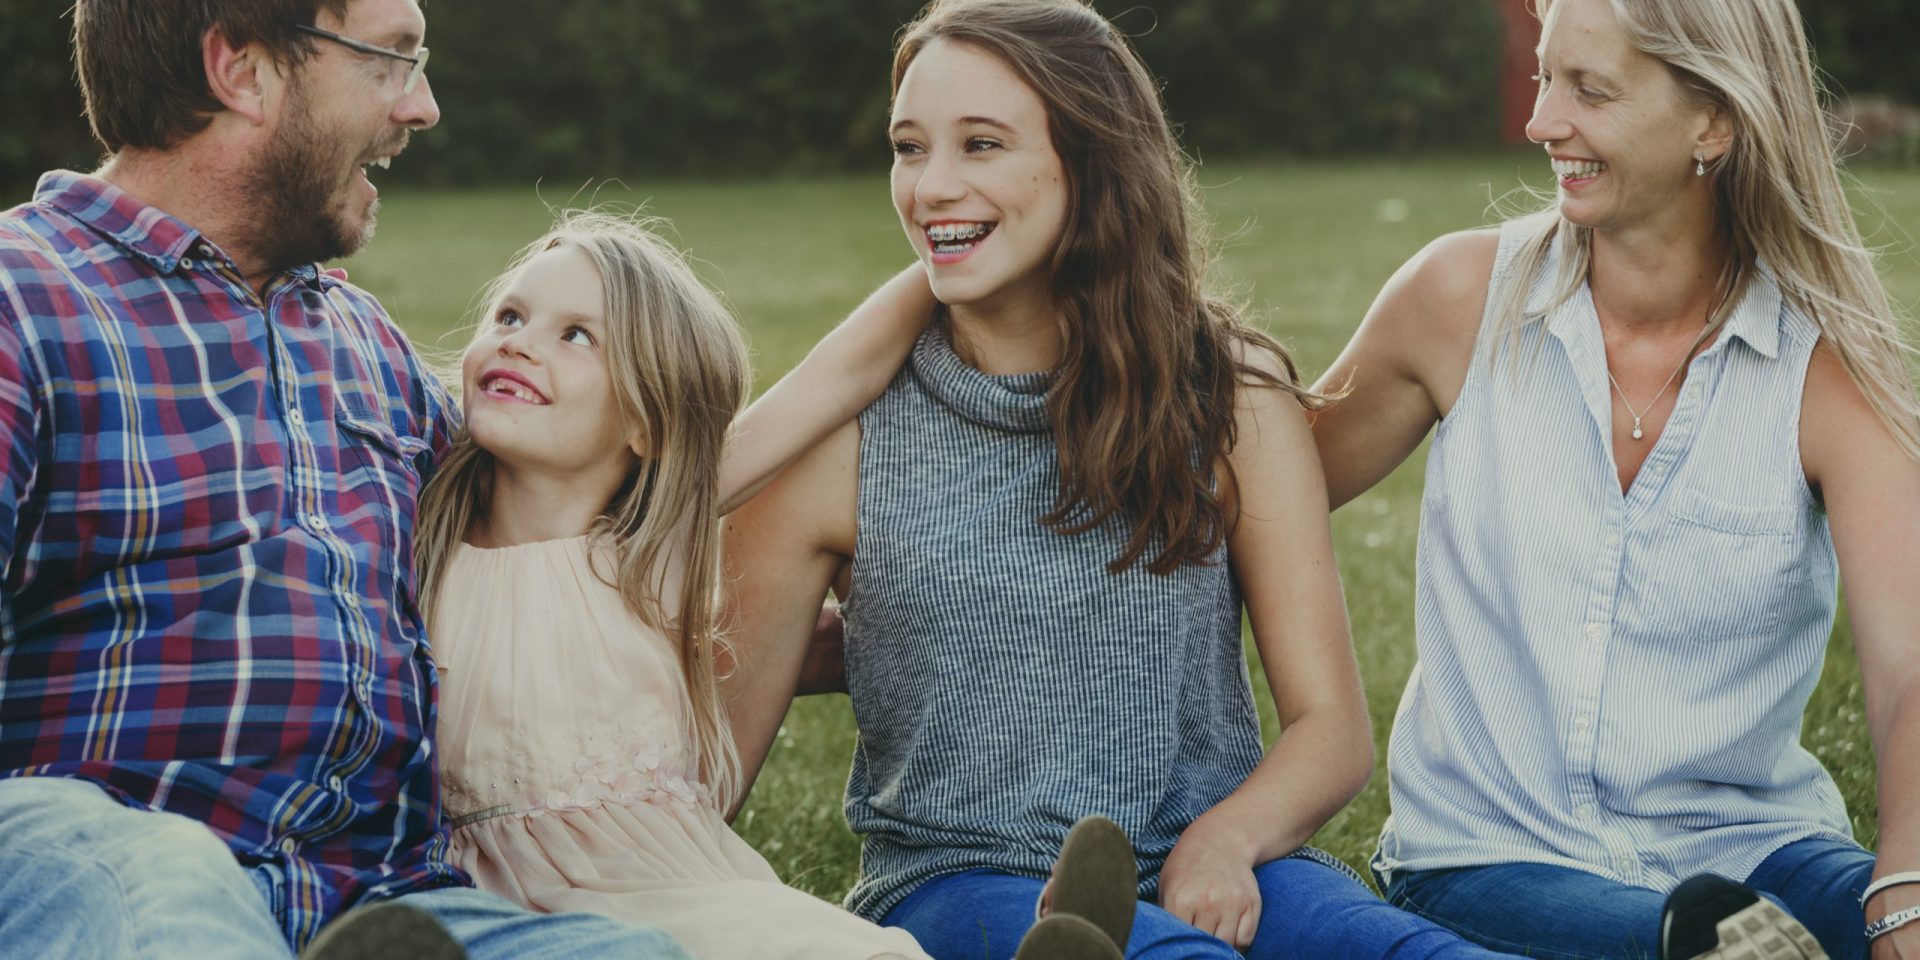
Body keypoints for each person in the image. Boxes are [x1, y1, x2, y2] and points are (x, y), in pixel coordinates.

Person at [722, 1, 1537, 958]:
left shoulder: (1231, 400)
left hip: (1227, 861)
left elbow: (1330, 730)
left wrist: (1225, 842)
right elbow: (709, 773)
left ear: (1092, 159)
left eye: (981, 145)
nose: (932, 186)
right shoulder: (839, 446)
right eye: (909, 148)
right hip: (962, 882)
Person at [0, 1, 675, 956]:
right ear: (243, 72)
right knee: (176, 888)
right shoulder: (21, 300)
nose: (424, 106)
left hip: (370, 902)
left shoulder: (362, 344)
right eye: (391, 59)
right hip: (98, 866)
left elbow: (572, 518)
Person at [1307, 0, 1920, 957]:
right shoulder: (1456, 301)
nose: (1541, 121)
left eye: (1588, 90)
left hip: (1759, 848)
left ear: (1712, 122)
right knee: (1698, 946)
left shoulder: (1828, 370)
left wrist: (1902, 890)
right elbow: (1260, 494)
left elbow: (1908, 673)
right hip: (1492, 856)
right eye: (1548, 77)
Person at [415, 210, 937, 960]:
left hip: (668, 896)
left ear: (647, 425)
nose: (519, 341)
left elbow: (837, 376)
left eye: (576, 336)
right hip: (480, 906)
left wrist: (954, 251)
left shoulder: (649, 550)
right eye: (510, 314)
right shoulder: (422, 540)